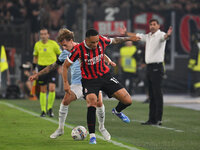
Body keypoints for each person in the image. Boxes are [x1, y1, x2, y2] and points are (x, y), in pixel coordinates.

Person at [29, 28, 115, 141]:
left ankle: (102, 128)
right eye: (62, 46)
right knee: (65, 100)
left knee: (99, 103)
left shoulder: (83, 47)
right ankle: (60, 128)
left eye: (65, 45)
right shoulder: (65, 53)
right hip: (77, 84)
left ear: (70, 40)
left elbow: (100, 53)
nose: (63, 48)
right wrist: (37, 75)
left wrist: (108, 60)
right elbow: (52, 66)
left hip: (91, 81)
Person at [62, 29, 140, 144]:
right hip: (89, 80)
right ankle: (92, 135)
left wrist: (129, 38)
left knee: (127, 100)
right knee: (92, 101)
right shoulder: (78, 50)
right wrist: (65, 84)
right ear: (86, 40)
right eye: (92, 42)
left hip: (105, 76)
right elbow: (65, 66)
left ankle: (117, 111)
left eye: (96, 42)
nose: (95, 44)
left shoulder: (102, 40)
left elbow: (116, 40)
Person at [119, 19, 172, 125]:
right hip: (149, 67)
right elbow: (137, 36)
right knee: (151, 94)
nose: (152, 26)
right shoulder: (148, 36)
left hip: (157, 67)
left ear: (158, 26)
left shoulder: (160, 34)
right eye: (151, 24)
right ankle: (151, 119)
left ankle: (158, 119)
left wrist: (168, 35)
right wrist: (125, 33)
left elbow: (165, 37)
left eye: (154, 24)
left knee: (157, 93)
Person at [32, 28, 61, 117]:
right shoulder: (37, 45)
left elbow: (59, 55)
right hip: (41, 68)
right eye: (41, 34)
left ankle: (50, 108)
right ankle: (43, 110)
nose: (43, 36)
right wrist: (34, 69)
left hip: (52, 68)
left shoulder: (53, 44)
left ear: (48, 35)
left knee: (52, 88)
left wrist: (60, 66)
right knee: (43, 89)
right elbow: (35, 57)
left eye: (45, 34)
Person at [188, 31, 200, 97]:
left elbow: (193, 57)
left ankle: (197, 93)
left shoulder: (195, 46)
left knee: (197, 81)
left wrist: (190, 66)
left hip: (196, 67)